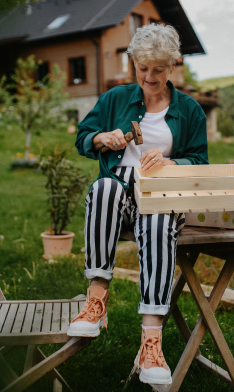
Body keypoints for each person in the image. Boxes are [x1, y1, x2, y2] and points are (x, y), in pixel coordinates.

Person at [68, 23, 208, 385]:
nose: (149, 76)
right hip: (119, 190)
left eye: (158, 70)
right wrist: (102, 137)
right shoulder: (114, 99)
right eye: (142, 68)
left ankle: (151, 340)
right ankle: (96, 302)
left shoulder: (190, 110)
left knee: (161, 225)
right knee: (103, 190)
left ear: (172, 66)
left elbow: (201, 160)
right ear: (134, 64)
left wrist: (171, 162)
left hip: (161, 194)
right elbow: (83, 138)